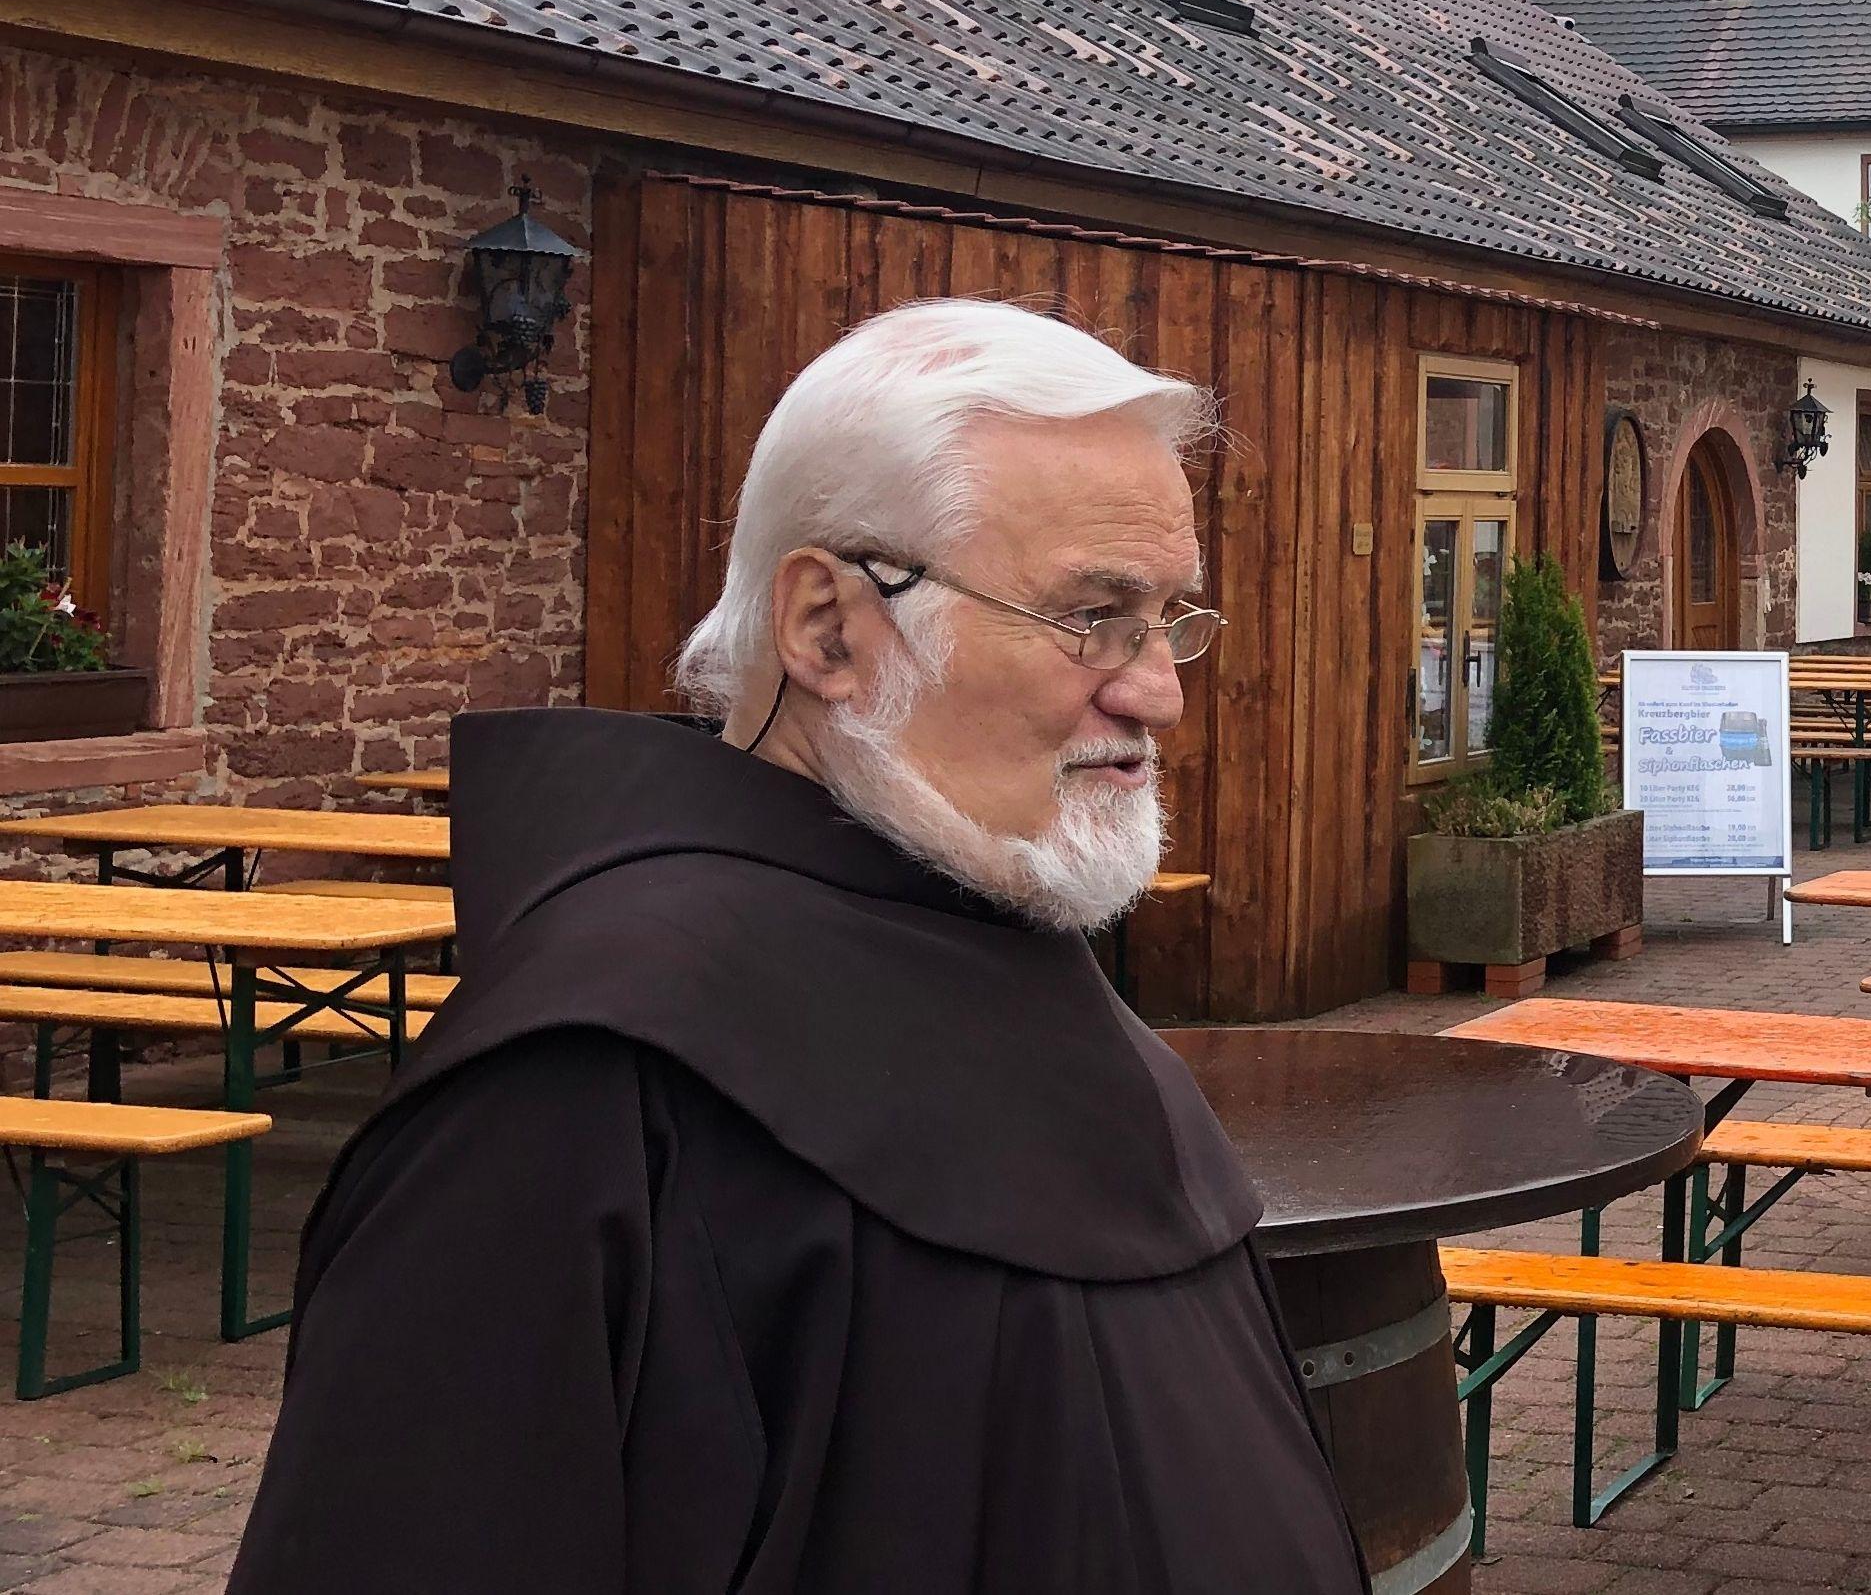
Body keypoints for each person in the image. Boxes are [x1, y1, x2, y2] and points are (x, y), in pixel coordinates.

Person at [229, 299, 1368, 1594]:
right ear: (828, 628)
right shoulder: (586, 1093)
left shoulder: (1026, 953)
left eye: (1171, 617)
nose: (1157, 688)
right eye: (1092, 615)